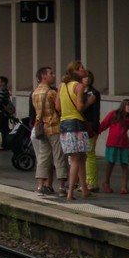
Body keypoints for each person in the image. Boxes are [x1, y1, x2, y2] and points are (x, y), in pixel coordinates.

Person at [57, 60, 96, 200]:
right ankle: (70, 192)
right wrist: (89, 102)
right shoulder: (79, 86)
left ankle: (84, 189)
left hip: (64, 124)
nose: (84, 69)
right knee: (76, 159)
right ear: (75, 72)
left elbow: (57, 106)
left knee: (81, 158)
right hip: (76, 124)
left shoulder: (62, 86)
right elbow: (80, 107)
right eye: (81, 68)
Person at [30, 66, 68, 196]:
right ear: (43, 76)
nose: (53, 75)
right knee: (59, 156)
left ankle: (40, 186)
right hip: (54, 127)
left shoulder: (34, 93)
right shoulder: (51, 93)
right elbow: (59, 107)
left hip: (41, 129)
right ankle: (61, 187)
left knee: (43, 157)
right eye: (51, 73)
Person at [99, 99, 129, 195]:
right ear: (123, 106)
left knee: (124, 165)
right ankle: (106, 182)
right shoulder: (113, 114)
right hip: (112, 143)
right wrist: (97, 132)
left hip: (124, 144)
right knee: (111, 163)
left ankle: (124, 186)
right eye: (127, 105)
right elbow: (104, 124)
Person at [82, 69, 101, 192]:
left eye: (89, 77)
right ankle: (84, 181)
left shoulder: (94, 93)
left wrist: (94, 126)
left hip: (90, 125)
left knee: (90, 154)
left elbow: (95, 112)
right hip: (80, 124)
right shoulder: (78, 91)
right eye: (85, 77)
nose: (87, 79)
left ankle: (92, 182)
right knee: (81, 155)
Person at [0, 76, 13, 150]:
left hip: (3, 112)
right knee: (4, 128)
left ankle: (5, 144)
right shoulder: (2, 90)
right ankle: (6, 144)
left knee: (3, 129)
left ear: (3, 83)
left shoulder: (3, 90)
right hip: (2, 112)